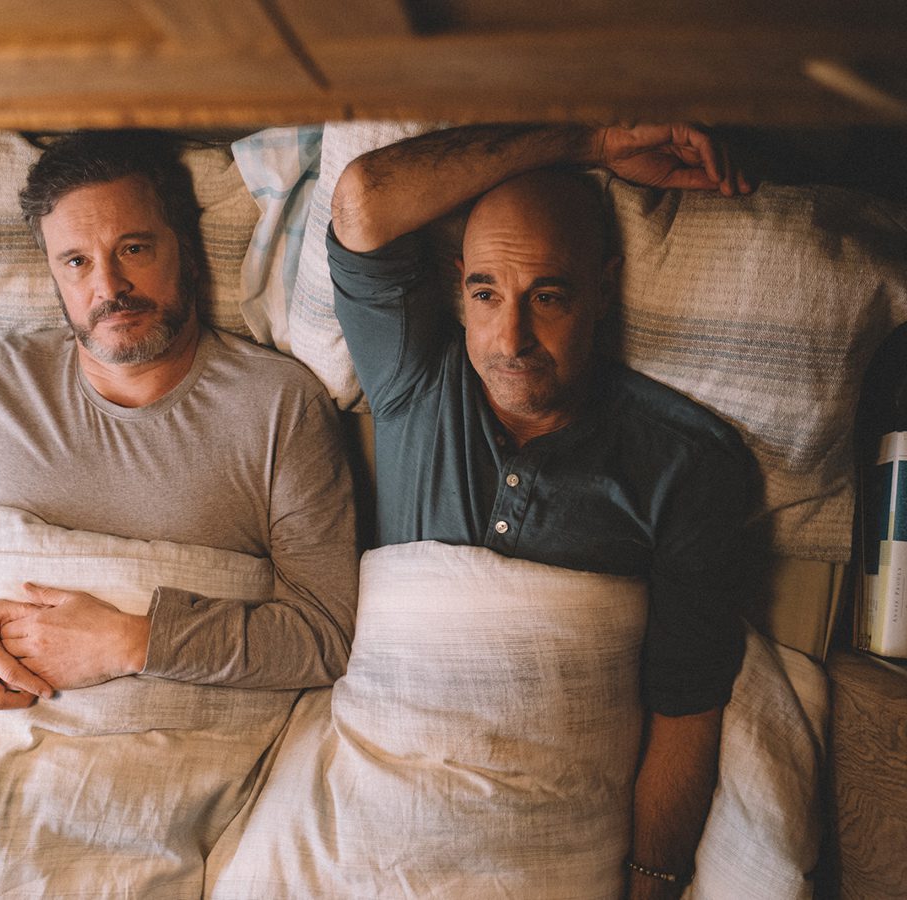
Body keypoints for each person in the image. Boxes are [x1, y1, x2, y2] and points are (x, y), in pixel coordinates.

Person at [328, 123, 755, 899]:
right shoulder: (413, 377)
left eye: (548, 297)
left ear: (604, 289)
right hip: (370, 825)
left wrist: (651, 883)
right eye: (486, 294)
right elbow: (362, 199)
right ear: (458, 289)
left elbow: (686, 705)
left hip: (549, 844)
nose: (511, 338)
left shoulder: (685, 465)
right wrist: (593, 142)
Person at [0, 130, 357, 710]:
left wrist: (132, 641)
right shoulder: (2, 385)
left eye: (134, 250)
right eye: (77, 262)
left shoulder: (278, 404)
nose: (109, 287)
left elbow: (326, 634)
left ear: (185, 252)